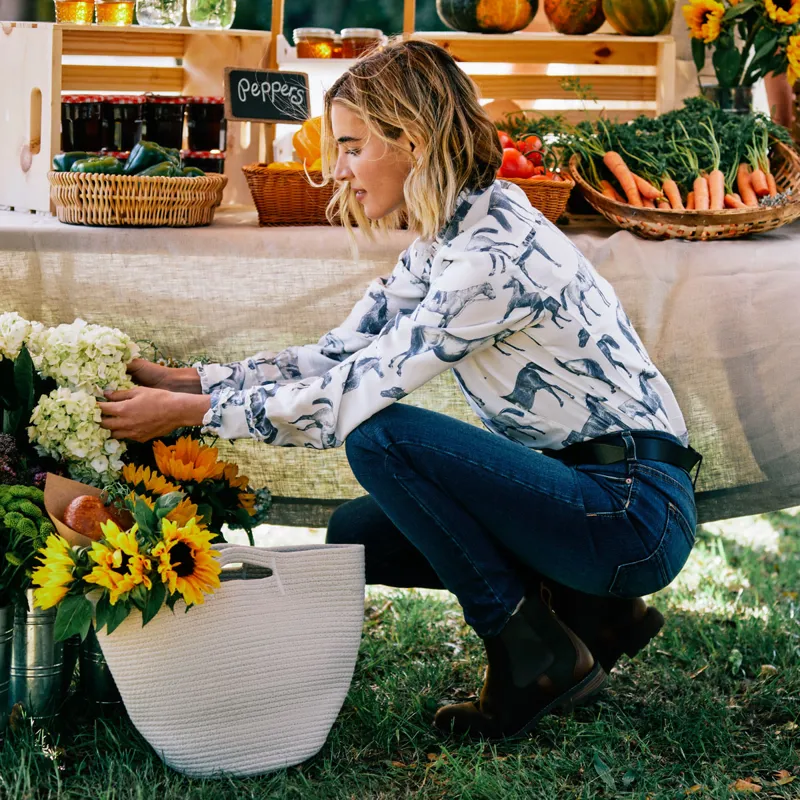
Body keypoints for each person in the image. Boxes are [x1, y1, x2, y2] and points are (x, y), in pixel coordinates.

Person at [99, 39, 701, 741]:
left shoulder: (490, 258)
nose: (336, 171)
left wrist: (196, 414)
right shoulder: (453, 230)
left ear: (410, 139)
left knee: (380, 436)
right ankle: (593, 612)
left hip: (629, 516)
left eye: (351, 146)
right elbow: (336, 354)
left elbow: (353, 395)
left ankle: (536, 654)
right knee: (358, 535)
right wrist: (194, 380)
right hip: (590, 492)